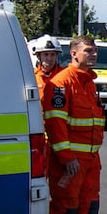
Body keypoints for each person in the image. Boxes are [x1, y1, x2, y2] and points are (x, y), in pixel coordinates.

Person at [39, 34, 107, 214]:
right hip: (69, 160)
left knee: (88, 204)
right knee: (65, 205)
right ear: (74, 53)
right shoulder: (61, 83)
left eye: (94, 50)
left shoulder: (88, 83)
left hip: (90, 159)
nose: (94, 54)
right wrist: (67, 158)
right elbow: (55, 124)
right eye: (88, 50)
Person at [28, 35, 64, 182]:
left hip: (61, 137)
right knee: (40, 178)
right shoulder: (31, 78)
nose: (49, 58)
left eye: (52, 54)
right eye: (46, 54)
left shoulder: (64, 77)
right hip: (40, 137)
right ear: (38, 56)